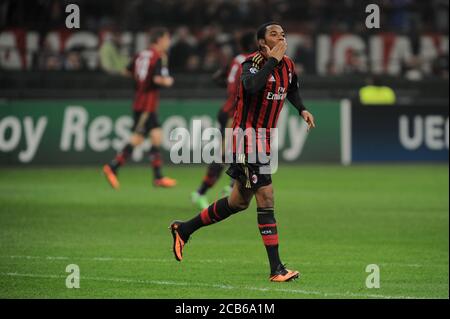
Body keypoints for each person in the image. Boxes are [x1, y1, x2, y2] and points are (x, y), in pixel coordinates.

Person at [170, 22, 315, 282]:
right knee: (266, 197)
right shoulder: (252, 64)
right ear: (261, 43)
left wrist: (302, 109)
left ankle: (184, 229)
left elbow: (291, 89)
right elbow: (250, 87)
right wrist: (272, 61)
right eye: (274, 34)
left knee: (238, 201)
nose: (281, 36)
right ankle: (277, 269)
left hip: (264, 141)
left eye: (282, 33)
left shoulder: (289, 66)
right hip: (246, 139)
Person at [103, 27, 177, 189]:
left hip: (141, 101)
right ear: (160, 40)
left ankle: (158, 177)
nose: (168, 42)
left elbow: (126, 71)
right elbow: (158, 79)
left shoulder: (140, 54)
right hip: (146, 105)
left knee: (156, 136)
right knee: (138, 138)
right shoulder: (159, 56)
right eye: (167, 39)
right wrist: (168, 81)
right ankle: (113, 167)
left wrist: (140, 80)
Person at [191, 31, 257, 209]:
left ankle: (229, 187)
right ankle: (200, 192)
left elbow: (218, 77)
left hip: (229, 109)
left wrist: (230, 90)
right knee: (225, 153)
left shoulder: (237, 59)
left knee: (241, 150)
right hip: (233, 113)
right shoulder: (251, 62)